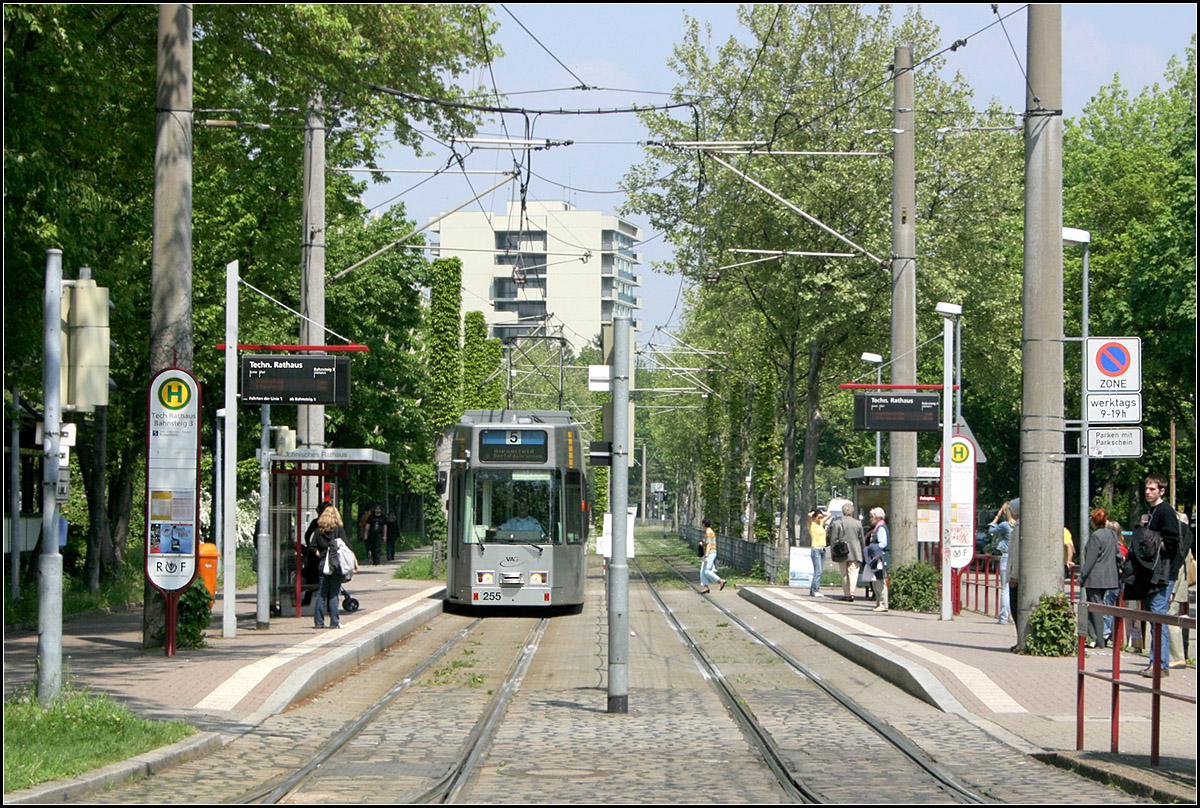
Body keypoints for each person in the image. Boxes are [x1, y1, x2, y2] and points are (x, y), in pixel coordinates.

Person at [1140, 474, 1181, 677]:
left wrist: (1152, 544)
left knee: (1158, 616)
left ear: (1162, 491)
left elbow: (1173, 544)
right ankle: (1155, 661)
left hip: (1164, 572)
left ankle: (1160, 665)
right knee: (1153, 616)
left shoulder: (1165, 511)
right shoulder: (1152, 512)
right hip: (1153, 573)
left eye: (1152, 489)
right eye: (1147, 489)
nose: (1148, 492)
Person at [1079, 508, 1120, 648]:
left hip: (1095, 578)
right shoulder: (1112, 535)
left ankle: (1099, 639)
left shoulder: (1095, 537)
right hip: (1110, 577)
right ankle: (1103, 637)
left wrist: (1082, 576)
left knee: (1094, 607)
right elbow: (1118, 554)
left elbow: (1090, 560)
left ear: (1093, 521)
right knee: (1103, 607)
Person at [312, 504, 350, 629]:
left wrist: (321, 555)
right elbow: (346, 546)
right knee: (334, 594)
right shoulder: (338, 530)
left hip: (323, 564)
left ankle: (318, 622)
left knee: (321, 594)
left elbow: (313, 547)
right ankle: (334, 622)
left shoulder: (319, 530)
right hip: (335, 564)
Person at [1167, 511, 1194, 668]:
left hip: (1177, 586)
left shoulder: (1182, 544)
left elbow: (1178, 569)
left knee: (1170, 619)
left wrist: (1172, 590)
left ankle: (1177, 656)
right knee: (1173, 617)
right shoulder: (1187, 542)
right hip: (1181, 586)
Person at [830, 502, 864, 602]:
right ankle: (852, 592)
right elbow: (861, 538)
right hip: (855, 550)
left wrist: (833, 552)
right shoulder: (858, 523)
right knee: (853, 572)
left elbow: (833, 540)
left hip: (841, 552)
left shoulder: (837, 523)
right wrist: (862, 550)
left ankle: (846, 594)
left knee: (844, 573)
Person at [988, 502, 1016, 625]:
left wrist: (997, 516)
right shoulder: (1020, 524)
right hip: (1017, 557)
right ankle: (1013, 616)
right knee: (1015, 588)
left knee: (1005, 589)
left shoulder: (1005, 525)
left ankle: (1003, 617)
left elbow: (991, 529)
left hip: (1006, 556)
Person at [1006, 498, 1023, 651]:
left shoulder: (1019, 527)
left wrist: (1014, 575)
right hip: (1018, 575)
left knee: (1015, 607)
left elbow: (1017, 553)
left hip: (1016, 577)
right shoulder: (1020, 525)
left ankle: (1021, 640)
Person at [863, 507, 888, 602]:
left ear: (878, 517)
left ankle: (882, 603)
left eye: (872, 517)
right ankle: (879, 602)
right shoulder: (877, 528)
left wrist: (872, 547)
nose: (870, 519)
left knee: (880, 582)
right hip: (876, 558)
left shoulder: (881, 528)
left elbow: (883, 544)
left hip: (880, 558)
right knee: (876, 581)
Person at [699, 518, 729, 594]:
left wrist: (706, 556)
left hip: (710, 553)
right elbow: (706, 542)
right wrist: (702, 543)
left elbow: (709, 544)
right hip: (709, 553)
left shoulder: (708, 532)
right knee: (703, 570)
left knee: (707, 571)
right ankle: (706, 587)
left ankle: (720, 581)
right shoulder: (708, 532)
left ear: (703, 524)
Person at [808, 508, 828, 597]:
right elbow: (809, 516)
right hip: (816, 549)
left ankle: (814, 589)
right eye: (818, 517)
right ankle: (815, 590)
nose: (820, 518)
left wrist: (821, 513)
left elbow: (829, 514)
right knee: (818, 571)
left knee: (820, 571)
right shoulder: (812, 525)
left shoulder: (821, 523)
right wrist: (814, 513)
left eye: (821, 517)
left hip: (823, 549)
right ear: (815, 517)